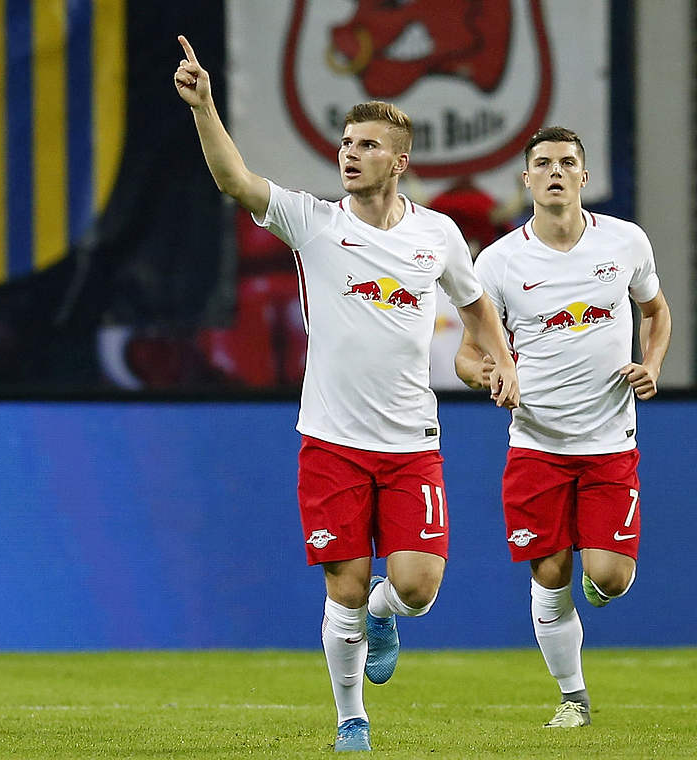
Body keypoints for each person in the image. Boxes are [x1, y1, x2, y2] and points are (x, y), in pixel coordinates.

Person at [174, 35, 520, 752]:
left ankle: (388, 617)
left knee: (417, 587)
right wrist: (205, 106)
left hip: (411, 444)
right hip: (331, 441)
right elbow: (236, 181)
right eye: (344, 141)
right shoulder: (315, 223)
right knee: (346, 585)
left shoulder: (439, 235)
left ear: (400, 161)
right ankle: (351, 721)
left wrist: (501, 360)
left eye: (365, 144)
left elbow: (478, 302)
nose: (349, 152)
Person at [455, 126, 670, 729]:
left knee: (609, 578)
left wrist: (651, 364)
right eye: (543, 163)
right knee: (550, 574)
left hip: (609, 443)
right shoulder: (497, 262)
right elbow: (466, 356)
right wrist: (493, 376)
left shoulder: (625, 242)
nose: (555, 171)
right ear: (526, 180)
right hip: (535, 445)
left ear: (584, 176)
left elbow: (656, 311)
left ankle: (603, 584)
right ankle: (572, 698)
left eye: (567, 162)